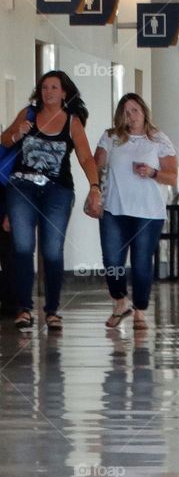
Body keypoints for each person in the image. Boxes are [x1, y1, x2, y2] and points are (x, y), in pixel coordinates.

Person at [0, 70, 101, 332]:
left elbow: (86, 157)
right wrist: (16, 134)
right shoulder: (28, 114)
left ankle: (52, 310)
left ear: (64, 92)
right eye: (45, 87)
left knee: (52, 251)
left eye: (54, 88)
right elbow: (4, 140)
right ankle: (23, 308)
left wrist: (94, 187)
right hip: (22, 187)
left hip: (57, 191)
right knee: (22, 248)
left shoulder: (72, 122)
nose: (49, 92)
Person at [94, 93, 178, 330]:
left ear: (144, 112)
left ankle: (140, 310)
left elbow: (172, 176)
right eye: (126, 112)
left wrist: (152, 173)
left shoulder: (159, 139)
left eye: (135, 111)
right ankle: (120, 301)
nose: (131, 116)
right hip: (114, 208)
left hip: (148, 212)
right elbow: (95, 165)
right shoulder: (111, 137)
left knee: (141, 261)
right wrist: (94, 192)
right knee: (112, 259)